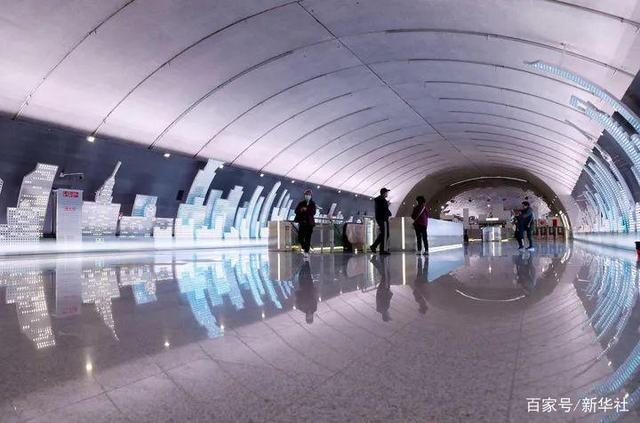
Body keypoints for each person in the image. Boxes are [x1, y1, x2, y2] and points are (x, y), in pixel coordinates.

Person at [294, 189, 316, 259]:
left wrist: (306, 209)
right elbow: (296, 211)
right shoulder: (301, 203)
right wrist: (301, 209)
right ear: (304, 195)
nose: (307, 196)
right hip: (302, 223)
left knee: (308, 238)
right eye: (306, 195)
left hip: (309, 224)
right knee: (300, 237)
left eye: (309, 195)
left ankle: (306, 252)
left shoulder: (313, 203)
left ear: (311, 196)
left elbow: (313, 212)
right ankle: (305, 247)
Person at [370, 187, 392, 255]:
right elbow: (384, 209)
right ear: (384, 193)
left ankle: (375, 247)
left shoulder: (380, 199)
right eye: (386, 192)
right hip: (382, 218)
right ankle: (381, 249)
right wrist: (389, 213)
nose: (387, 194)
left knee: (384, 233)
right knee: (385, 233)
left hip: (382, 218)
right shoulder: (381, 200)